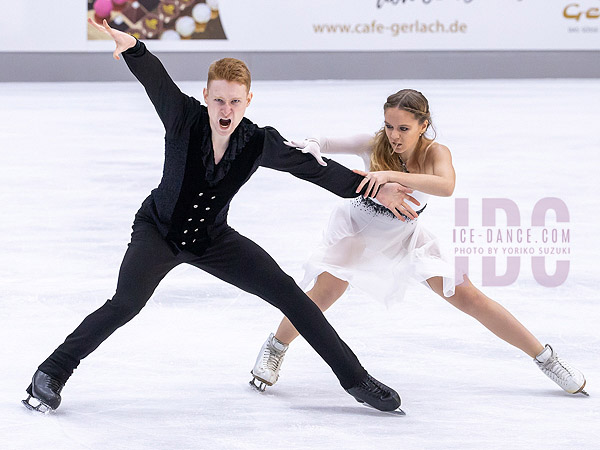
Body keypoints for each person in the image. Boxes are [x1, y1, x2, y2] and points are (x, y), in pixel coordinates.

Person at [22, 19, 415, 414]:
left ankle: (357, 379)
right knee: (125, 303)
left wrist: (375, 187)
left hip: (213, 240)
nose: (226, 110)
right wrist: (132, 47)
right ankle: (51, 373)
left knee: (290, 294)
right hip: (158, 231)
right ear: (206, 95)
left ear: (248, 102)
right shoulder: (182, 117)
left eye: (235, 102)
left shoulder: (258, 141)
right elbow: (155, 79)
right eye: (219, 100)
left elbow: (314, 168)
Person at [250, 89, 588, 399]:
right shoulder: (375, 144)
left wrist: (389, 176)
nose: (394, 135)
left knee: (469, 296)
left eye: (404, 129)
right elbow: (324, 141)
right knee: (324, 293)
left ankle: (546, 359)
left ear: (423, 125)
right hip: (358, 229)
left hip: (405, 236)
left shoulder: (436, 152)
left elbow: (446, 185)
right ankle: (276, 347)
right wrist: (311, 143)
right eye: (389, 126)